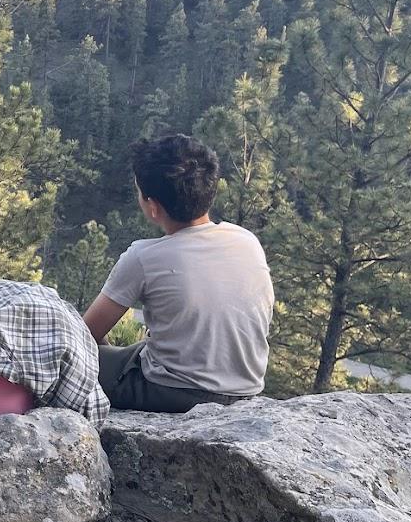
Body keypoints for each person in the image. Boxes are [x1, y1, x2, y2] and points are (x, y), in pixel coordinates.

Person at [82, 134, 274, 413]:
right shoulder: (246, 240)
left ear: (153, 206)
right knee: (133, 352)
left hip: (175, 392)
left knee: (71, 360)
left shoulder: (143, 257)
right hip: (246, 392)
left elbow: (87, 333)